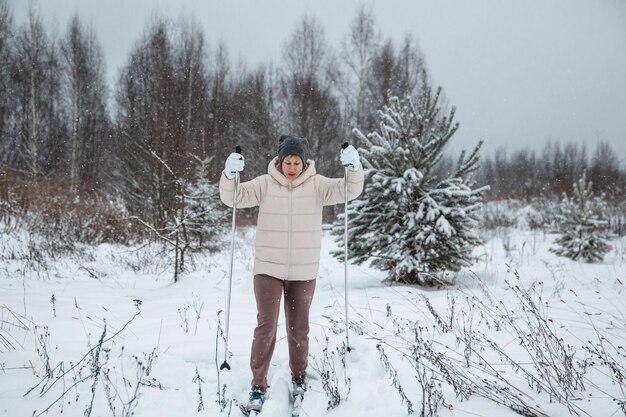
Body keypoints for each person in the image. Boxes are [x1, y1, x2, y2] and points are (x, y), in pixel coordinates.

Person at [219, 135, 364, 414]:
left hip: (303, 269)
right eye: (288, 161)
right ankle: (257, 385)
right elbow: (233, 198)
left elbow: (349, 191)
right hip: (268, 268)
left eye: (297, 161)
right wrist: (229, 174)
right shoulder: (264, 183)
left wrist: (354, 169)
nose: (292, 167)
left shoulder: (318, 185)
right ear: (280, 160)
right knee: (267, 326)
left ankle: (299, 378)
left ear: (305, 161)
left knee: (299, 328)